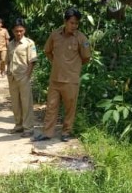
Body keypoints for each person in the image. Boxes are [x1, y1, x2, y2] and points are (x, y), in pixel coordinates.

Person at [32, 8, 91, 143]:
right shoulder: (55, 35)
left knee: (70, 108)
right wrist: (56, 63)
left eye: (76, 23)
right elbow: (47, 51)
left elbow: (86, 57)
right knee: (51, 106)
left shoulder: (81, 38)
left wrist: (73, 67)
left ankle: (66, 132)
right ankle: (47, 132)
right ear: (65, 21)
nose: (74, 26)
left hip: (71, 80)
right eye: (71, 23)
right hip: (55, 79)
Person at [6, 18, 37, 137]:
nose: (19, 33)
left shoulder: (29, 43)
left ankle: (28, 128)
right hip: (12, 78)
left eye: (21, 31)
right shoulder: (10, 45)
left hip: (24, 77)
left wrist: (27, 76)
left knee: (26, 103)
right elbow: (8, 61)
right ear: (12, 31)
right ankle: (18, 125)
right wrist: (8, 71)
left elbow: (32, 61)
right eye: (16, 31)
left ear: (24, 30)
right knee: (15, 103)